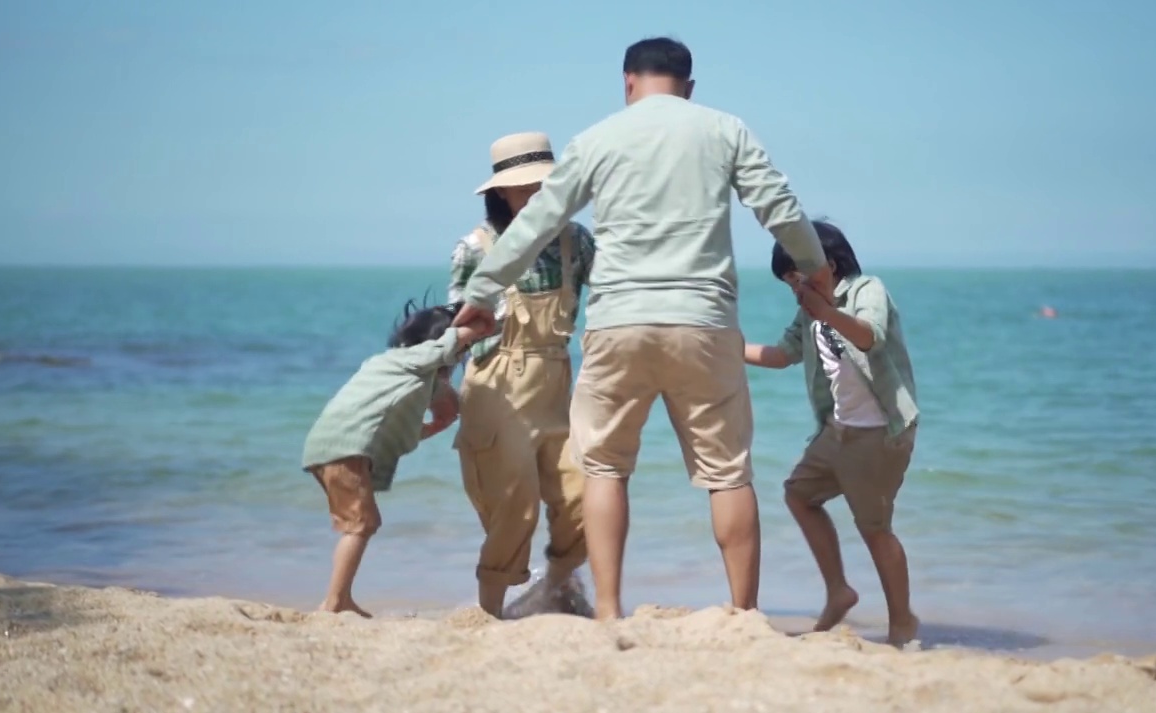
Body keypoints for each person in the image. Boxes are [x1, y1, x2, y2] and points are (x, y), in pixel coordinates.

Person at [453, 37, 832, 620]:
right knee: (727, 473)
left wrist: (481, 293)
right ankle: (743, 613)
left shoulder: (597, 138)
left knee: (604, 467)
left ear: (627, 82)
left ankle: (606, 607)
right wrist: (817, 269)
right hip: (702, 321)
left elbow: (535, 223)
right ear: (690, 87)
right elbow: (778, 208)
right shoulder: (725, 129)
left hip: (616, 325)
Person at [743, 220, 921, 646]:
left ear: (831, 265)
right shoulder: (809, 310)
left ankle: (903, 623)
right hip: (837, 430)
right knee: (799, 494)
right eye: (788, 283)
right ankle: (839, 590)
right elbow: (784, 354)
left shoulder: (866, 291)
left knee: (875, 527)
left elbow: (869, 336)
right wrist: (725, 347)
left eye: (796, 279)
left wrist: (826, 312)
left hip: (879, 431)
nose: (794, 290)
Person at [448, 132, 597, 618]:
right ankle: (489, 612)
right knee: (513, 507)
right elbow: (453, 326)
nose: (534, 196)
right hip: (497, 385)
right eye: (523, 187)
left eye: (544, 186)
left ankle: (551, 589)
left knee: (585, 497)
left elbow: (615, 293)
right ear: (501, 193)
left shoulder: (578, 241)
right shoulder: (475, 247)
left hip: (559, 379)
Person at [302, 300, 476, 617]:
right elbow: (453, 343)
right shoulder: (415, 360)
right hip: (346, 448)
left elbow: (442, 406)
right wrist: (482, 324)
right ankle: (335, 602)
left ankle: (338, 599)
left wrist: (439, 421)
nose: (460, 358)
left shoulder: (393, 366)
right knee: (360, 525)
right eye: (460, 355)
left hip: (328, 445)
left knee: (360, 522)